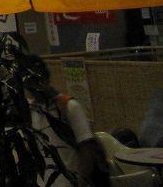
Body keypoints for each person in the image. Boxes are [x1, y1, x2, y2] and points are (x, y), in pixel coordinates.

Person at [23, 55, 109, 187]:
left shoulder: (68, 106)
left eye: (35, 82)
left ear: (45, 80)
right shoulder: (30, 111)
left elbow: (87, 150)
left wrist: (80, 182)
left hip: (68, 182)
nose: (33, 88)